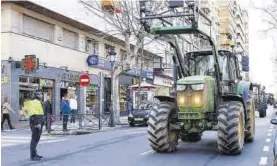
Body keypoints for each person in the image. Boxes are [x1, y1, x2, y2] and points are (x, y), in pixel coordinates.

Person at [23, 93, 45, 161]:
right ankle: (33, 155)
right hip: (37, 121)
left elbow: (26, 113)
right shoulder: (36, 102)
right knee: (35, 139)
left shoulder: (27, 103)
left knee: (35, 139)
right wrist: (38, 123)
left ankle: (34, 154)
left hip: (35, 121)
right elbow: (35, 114)